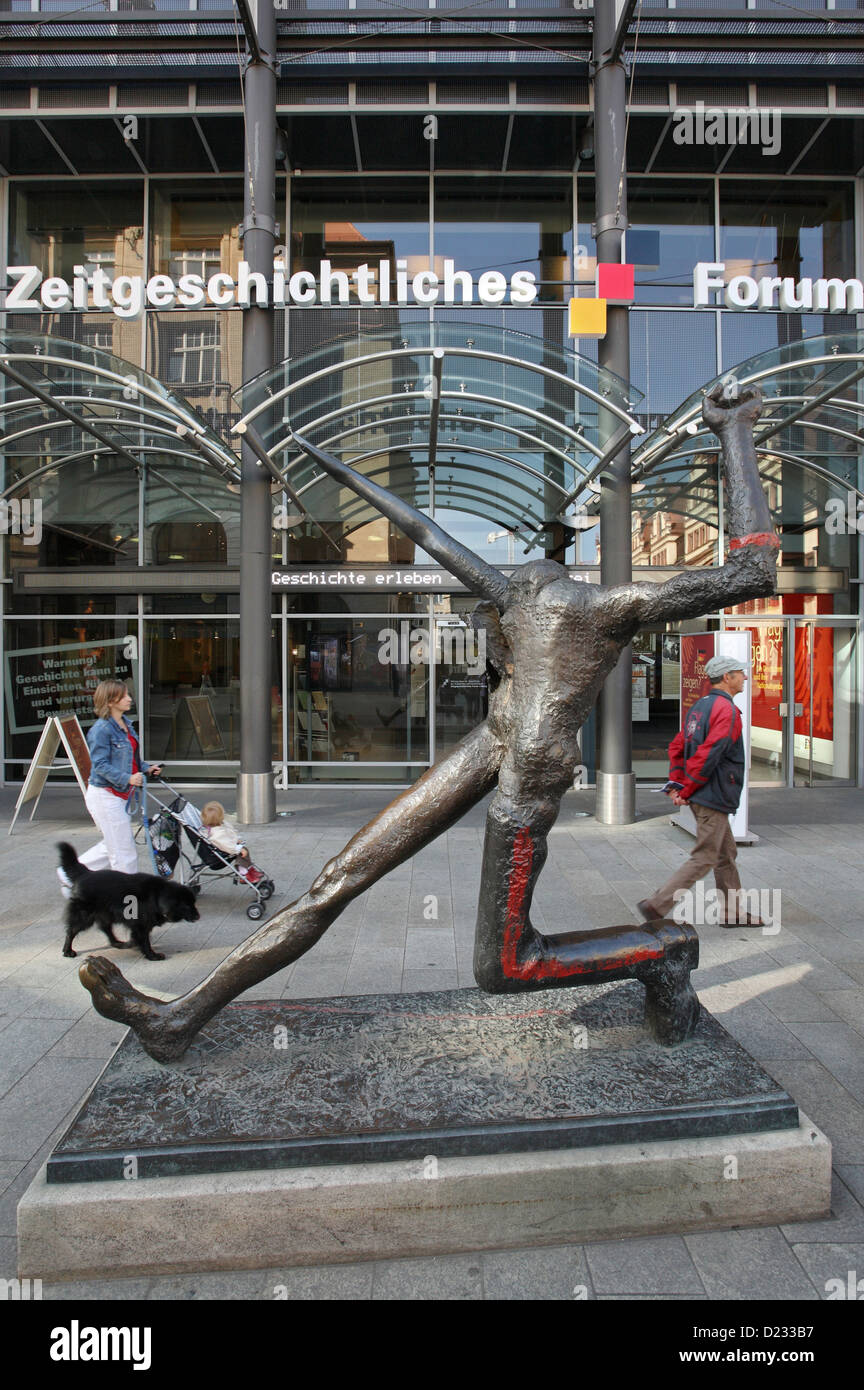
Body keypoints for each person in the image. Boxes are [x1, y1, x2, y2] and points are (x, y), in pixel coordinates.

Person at [79, 380, 779, 1061]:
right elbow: (427, 530)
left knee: (504, 967)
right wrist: (734, 432)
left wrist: (737, 433)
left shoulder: (596, 606)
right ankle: (179, 1017)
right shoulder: (544, 600)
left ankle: (663, 951)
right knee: (336, 880)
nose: (514, 593)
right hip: (496, 741)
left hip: (527, 777)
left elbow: (750, 577)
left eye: (523, 588)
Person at [637, 654, 762, 928]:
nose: (745, 677)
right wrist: (684, 788)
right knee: (706, 856)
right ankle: (658, 904)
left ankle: (733, 914)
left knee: (725, 854)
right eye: (740, 672)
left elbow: (677, 747)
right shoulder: (726, 711)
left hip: (704, 794)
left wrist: (678, 784)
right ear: (727, 677)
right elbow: (709, 754)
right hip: (713, 795)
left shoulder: (699, 707)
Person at [57, 680, 162, 896]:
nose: (129, 699)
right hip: (105, 796)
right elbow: (101, 765)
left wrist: (146, 768)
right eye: (124, 696)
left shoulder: (126, 723)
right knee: (124, 853)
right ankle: (129, 907)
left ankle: (69, 874)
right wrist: (128, 778)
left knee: (113, 844)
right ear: (112, 700)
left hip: (120, 795)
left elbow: (130, 759)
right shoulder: (101, 730)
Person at [199, 801, 262, 882]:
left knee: (244, 850)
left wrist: (236, 840)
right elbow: (226, 845)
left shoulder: (219, 826)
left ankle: (249, 869)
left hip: (228, 847)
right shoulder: (217, 834)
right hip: (225, 852)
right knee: (242, 853)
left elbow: (229, 835)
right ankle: (244, 873)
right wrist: (238, 849)